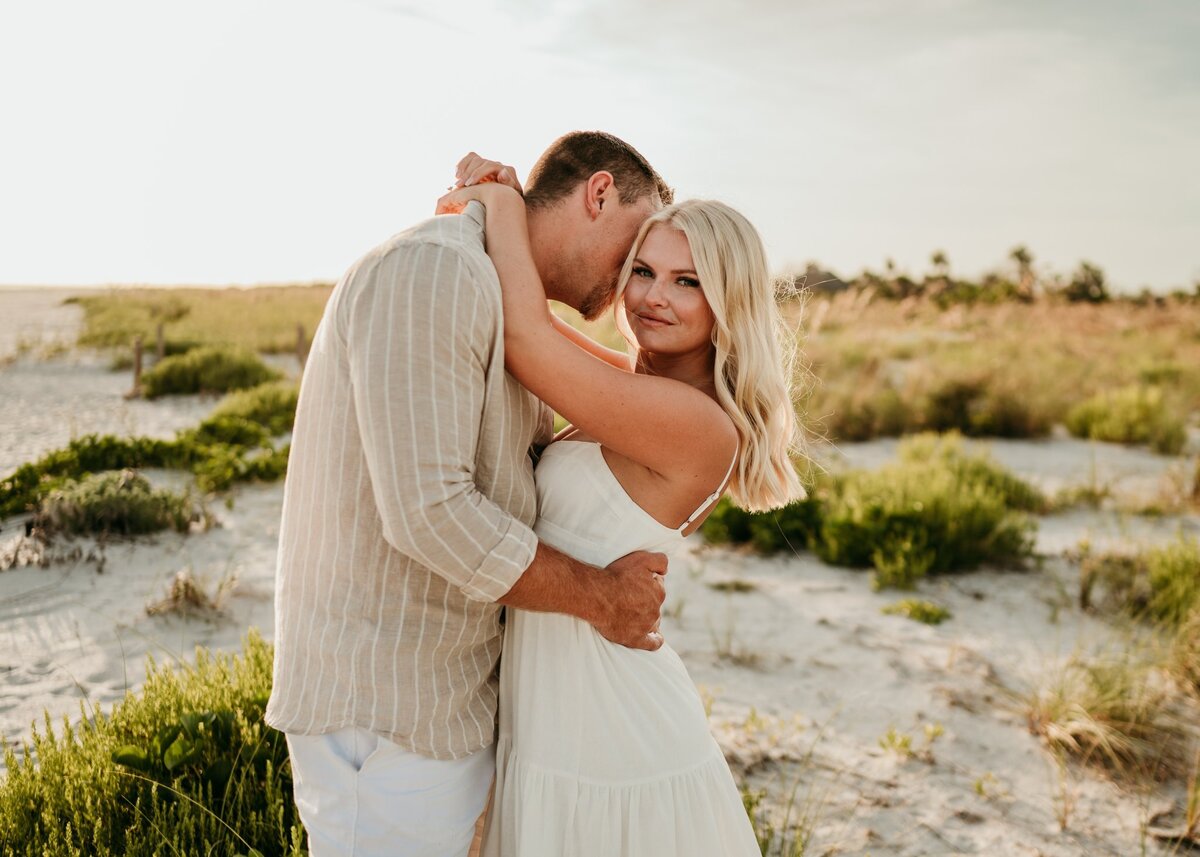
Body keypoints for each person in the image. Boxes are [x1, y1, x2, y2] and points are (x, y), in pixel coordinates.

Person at [265, 131, 675, 857]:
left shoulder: (508, 304)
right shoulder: (434, 271)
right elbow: (431, 513)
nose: (635, 282)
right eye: (635, 248)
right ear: (599, 192)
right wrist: (603, 597)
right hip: (386, 711)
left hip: (447, 703)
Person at [438, 158, 805, 856]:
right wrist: (485, 215)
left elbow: (525, 338)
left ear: (731, 302)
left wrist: (505, 202)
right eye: (644, 271)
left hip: (614, 744)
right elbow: (529, 321)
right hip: (550, 730)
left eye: (688, 281)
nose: (652, 297)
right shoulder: (631, 387)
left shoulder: (701, 426)